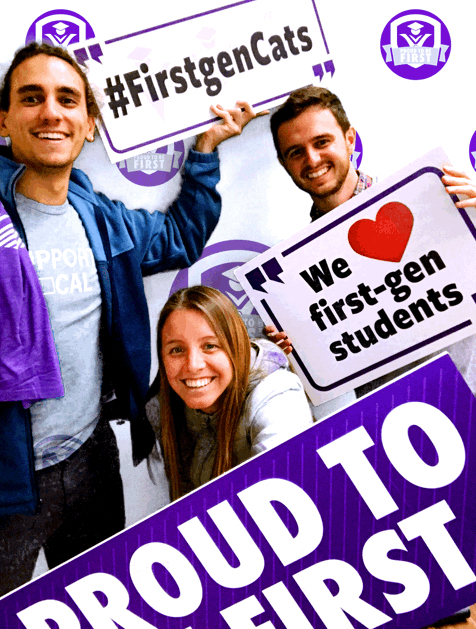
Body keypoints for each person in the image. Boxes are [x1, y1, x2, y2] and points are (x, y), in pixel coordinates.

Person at [0, 41, 265, 595]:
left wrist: (207, 150)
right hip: (7, 483)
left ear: (89, 124)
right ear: (5, 119)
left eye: (68, 100)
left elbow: (179, 238)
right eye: (31, 98)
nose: (51, 112)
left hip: (92, 459)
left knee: (105, 603)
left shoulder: (102, 221)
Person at [264, 86, 476, 397]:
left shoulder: (434, 198)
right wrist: (293, 352)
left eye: (322, 142)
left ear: (349, 140)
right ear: (285, 164)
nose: (312, 159)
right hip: (398, 423)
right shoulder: (295, 275)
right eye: (296, 152)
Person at [144, 285, 313, 501]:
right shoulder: (163, 409)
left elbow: (283, 490)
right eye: (176, 350)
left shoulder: (276, 394)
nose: (193, 365)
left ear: (236, 347)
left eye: (210, 346)